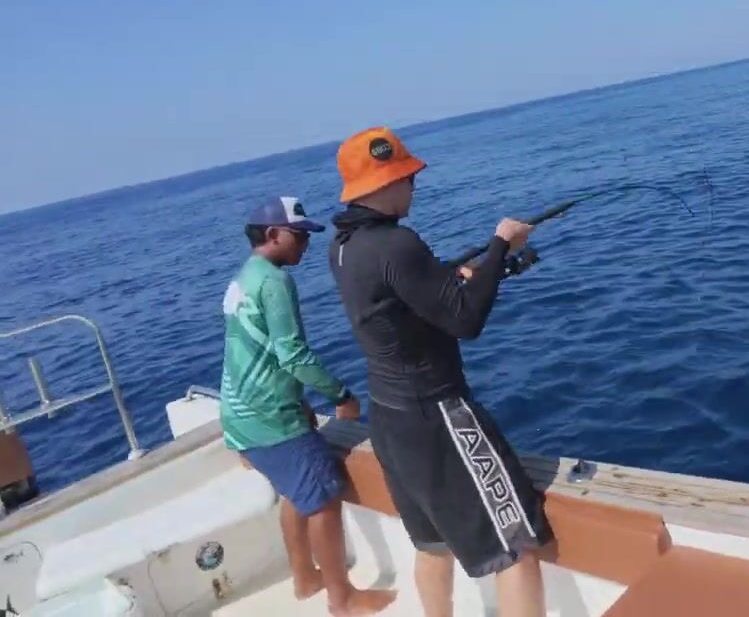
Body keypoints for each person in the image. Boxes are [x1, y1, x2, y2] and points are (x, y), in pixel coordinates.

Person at [327, 127, 553, 617]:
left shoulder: (343, 247)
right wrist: (500, 245)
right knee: (517, 547)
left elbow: (394, 305)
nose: (414, 185)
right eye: (407, 177)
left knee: (433, 545)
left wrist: (450, 281)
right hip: (436, 416)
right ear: (386, 182)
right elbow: (466, 321)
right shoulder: (397, 244)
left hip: (390, 421)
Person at [220, 196, 397, 617]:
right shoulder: (275, 282)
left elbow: (256, 353)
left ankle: (304, 578)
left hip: (240, 415)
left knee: (295, 493)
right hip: (271, 419)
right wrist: (342, 396)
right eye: (298, 236)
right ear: (272, 234)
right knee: (322, 499)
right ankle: (343, 599)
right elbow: (292, 355)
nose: (305, 244)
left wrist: (298, 400)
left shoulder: (244, 278)